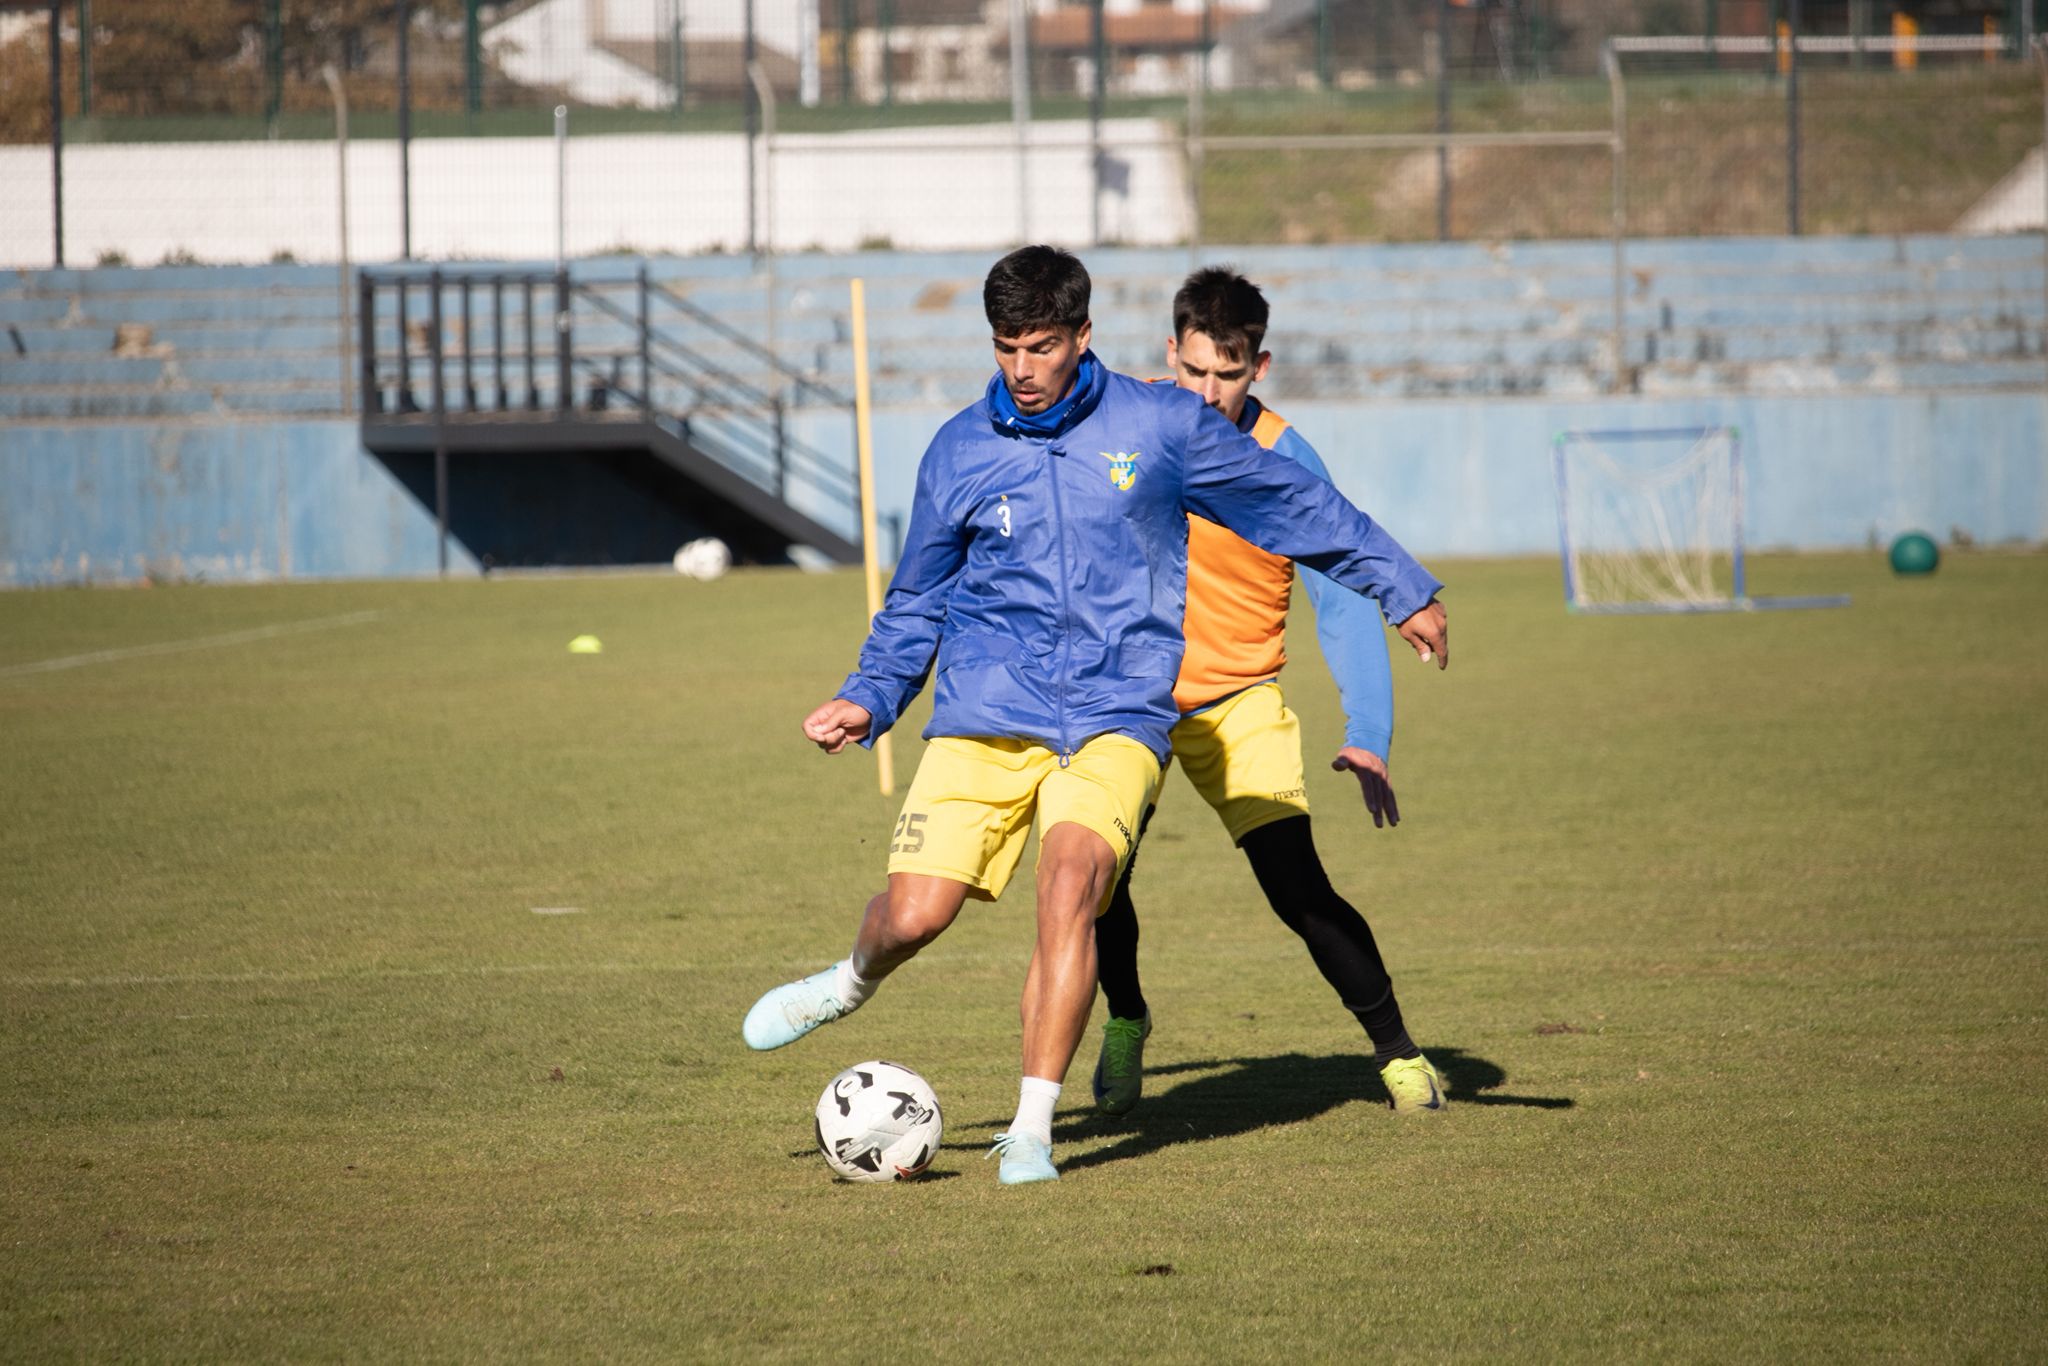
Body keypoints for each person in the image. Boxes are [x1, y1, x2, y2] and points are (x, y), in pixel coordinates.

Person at [741, 246, 1449, 1186]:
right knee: (914, 917)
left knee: (1073, 881)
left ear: (1082, 336)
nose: (1023, 371)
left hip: (1120, 711)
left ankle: (1030, 1132)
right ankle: (848, 981)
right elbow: (918, 601)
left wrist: (1399, 587)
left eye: (1040, 347)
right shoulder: (958, 448)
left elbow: (1291, 501)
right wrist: (869, 698)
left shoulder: (1160, 427)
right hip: (988, 711)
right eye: (1006, 349)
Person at [1090, 267, 1448, 1121]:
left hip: (1237, 701)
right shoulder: (1123, 421)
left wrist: (1370, 729)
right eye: (1195, 372)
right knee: (1097, 878)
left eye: (1231, 374)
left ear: (1261, 366)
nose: (1210, 395)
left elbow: (1344, 594)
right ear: (1167, 353)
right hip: (1129, 700)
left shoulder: (1284, 456)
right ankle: (1128, 1020)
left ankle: (1397, 1051)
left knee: (1298, 888)